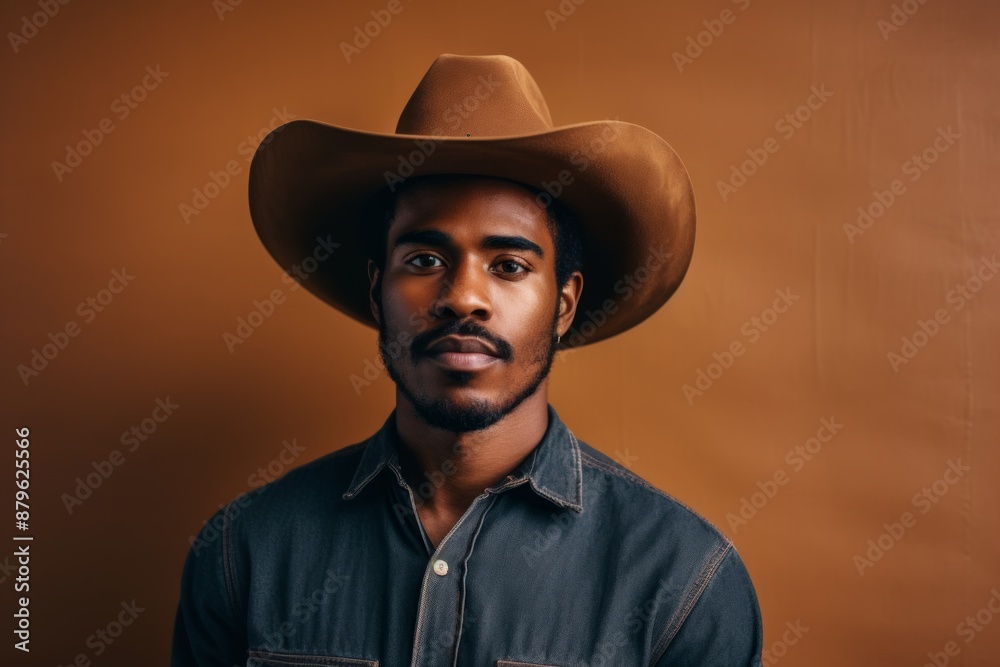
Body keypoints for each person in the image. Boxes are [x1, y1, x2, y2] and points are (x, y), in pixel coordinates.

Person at [171, 53, 763, 667]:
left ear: (563, 305)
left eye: (509, 266)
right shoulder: (244, 553)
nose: (463, 298)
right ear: (377, 290)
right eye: (425, 260)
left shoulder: (685, 581)